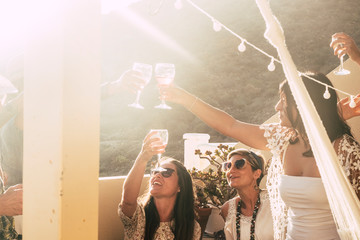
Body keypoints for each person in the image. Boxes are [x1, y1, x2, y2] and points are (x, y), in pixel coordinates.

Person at [159, 72, 360, 240]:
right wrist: (183, 98)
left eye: (283, 101)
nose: (277, 107)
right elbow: (230, 125)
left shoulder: (344, 149)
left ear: (303, 105)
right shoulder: (283, 141)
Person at [118, 131, 201, 240]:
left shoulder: (191, 228)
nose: (157, 175)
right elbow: (128, 201)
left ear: (180, 186)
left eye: (166, 172)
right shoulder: (139, 217)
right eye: (155, 172)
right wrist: (143, 158)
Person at [220, 149, 273, 240]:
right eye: (228, 166)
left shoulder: (274, 202)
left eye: (239, 164)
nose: (231, 170)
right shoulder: (227, 209)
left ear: (256, 174)